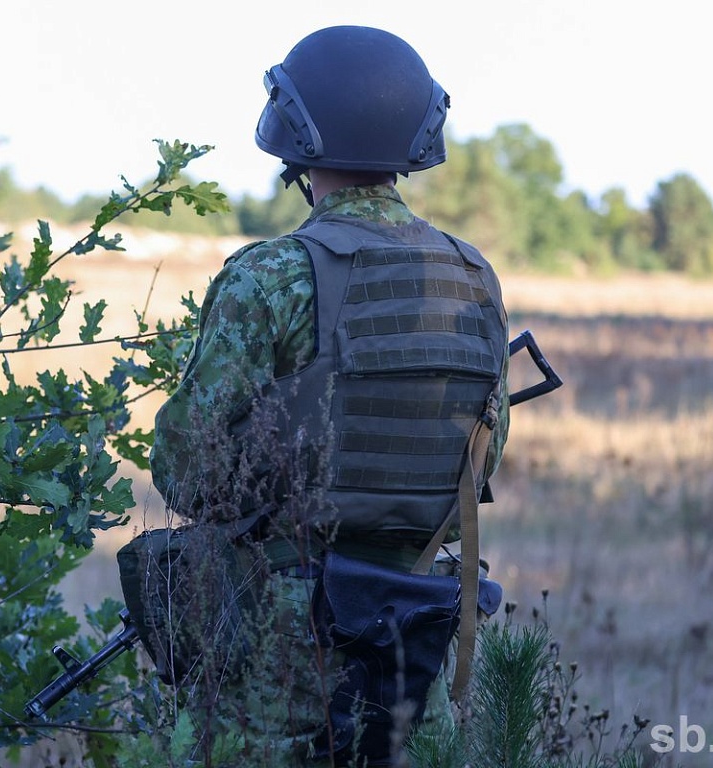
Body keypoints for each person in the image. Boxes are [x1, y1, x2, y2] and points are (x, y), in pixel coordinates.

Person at [148, 25, 510, 767]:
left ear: (293, 139)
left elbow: (187, 470)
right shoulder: (473, 277)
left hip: (275, 651)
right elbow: (482, 457)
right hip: (415, 634)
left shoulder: (269, 275)